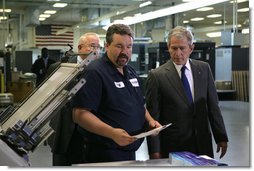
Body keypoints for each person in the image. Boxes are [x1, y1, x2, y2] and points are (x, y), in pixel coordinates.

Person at [72, 24, 161, 163]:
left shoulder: (130, 72)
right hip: (104, 152)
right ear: (107, 46)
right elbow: (80, 114)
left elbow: (139, 105)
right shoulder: (94, 72)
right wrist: (112, 133)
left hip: (129, 150)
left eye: (129, 46)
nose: (125, 51)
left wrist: (150, 121)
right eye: (119, 46)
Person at [145, 26, 228, 160]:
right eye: (174, 48)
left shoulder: (204, 69)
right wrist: (154, 151)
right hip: (173, 146)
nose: (178, 53)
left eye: (182, 48)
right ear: (168, 47)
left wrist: (221, 136)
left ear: (191, 48)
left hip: (202, 143)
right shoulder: (157, 76)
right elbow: (152, 117)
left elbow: (213, 106)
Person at [48, 32, 101, 166]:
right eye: (92, 46)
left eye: (98, 47)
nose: (96, 50)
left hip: (92, 132)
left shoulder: (102, 70)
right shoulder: (59, 68)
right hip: (64, 132)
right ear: (80, 48)